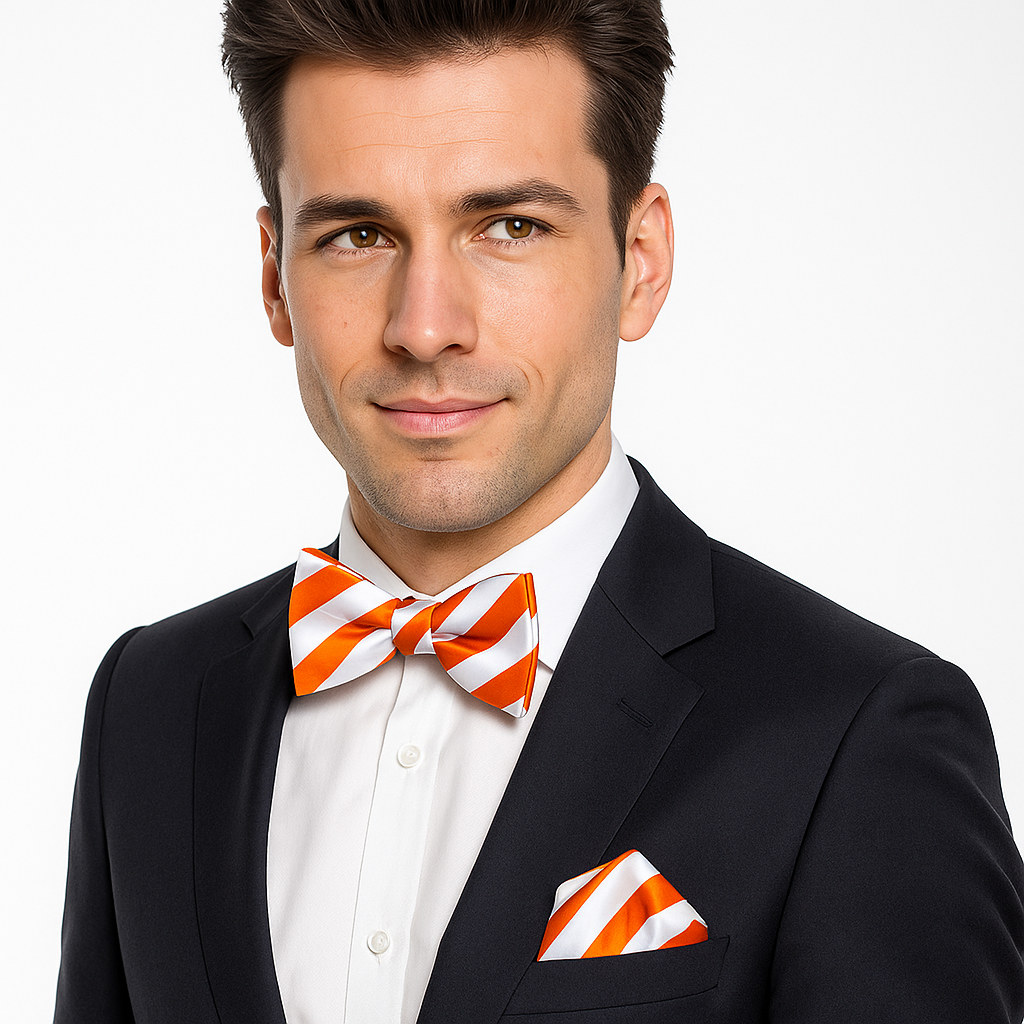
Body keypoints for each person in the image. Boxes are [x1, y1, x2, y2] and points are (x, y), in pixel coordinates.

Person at [54, 1, 1024, 1021]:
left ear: (639, 261)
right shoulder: (148, 709)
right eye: (356, 234)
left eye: (508, 226)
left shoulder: (856, 734)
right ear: (274, 278)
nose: (425, 326)